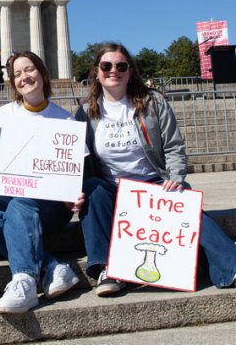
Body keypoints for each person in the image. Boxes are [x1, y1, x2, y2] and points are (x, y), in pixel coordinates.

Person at [76, 42, 236, 297]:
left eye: (121, 66)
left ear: (130, 71)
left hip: (152, 182)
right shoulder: (86, 112)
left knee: (186, 205)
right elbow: (79, 158)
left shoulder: (153, 102)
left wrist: (175, 178)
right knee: (91, 188)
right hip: (111, 188)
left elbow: (173, 145)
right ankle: (107, 269)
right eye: (106, 66)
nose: (113, 71)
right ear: (96, 71)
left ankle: (231, 267)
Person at [0, 51, 85, 314]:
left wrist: (74, 195)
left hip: (53, 208)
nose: (24, 77)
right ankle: (50, 266)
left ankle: (24, 280)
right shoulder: (1, 116)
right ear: (12, 82)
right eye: (17, 74)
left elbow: (76, 176)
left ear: (42, 74)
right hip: (12, 200)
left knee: (20, 204)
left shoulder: (64, 120)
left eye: (29, 70)